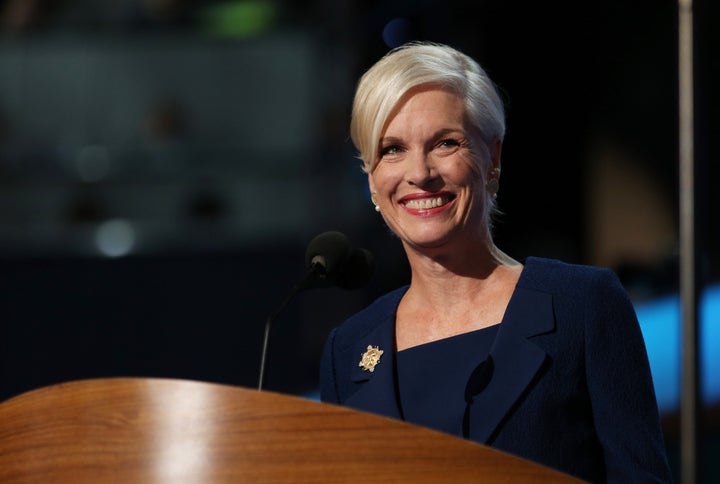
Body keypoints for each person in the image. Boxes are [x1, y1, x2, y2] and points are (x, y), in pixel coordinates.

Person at [318, 41, 673, 483]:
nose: (420, 172)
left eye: (446, 143)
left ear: (493, 158)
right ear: (371, 178)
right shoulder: (348, 350)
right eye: (392, 149)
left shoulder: (582, 305)